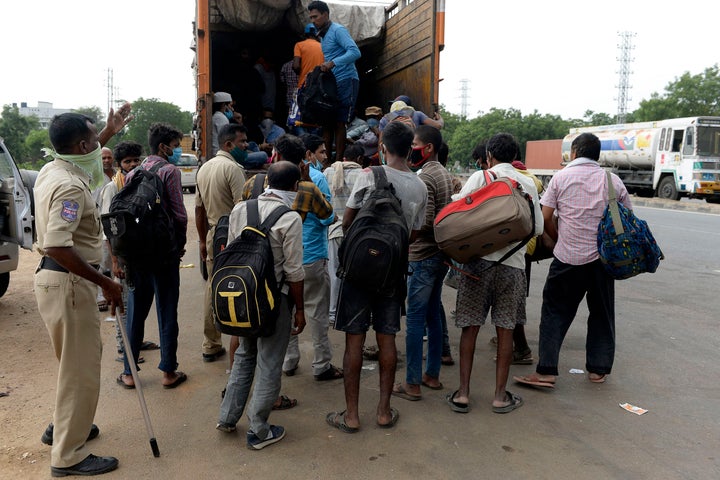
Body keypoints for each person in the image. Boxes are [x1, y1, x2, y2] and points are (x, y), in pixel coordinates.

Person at [34, 105, 130, 477]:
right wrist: (106, 282)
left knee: (71, 365)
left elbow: (87, 164)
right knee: (81, 369)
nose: (97, 146)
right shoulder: (69, 185)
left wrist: (107, 131)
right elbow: (59, 244)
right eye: (93, 141)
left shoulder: (54, 169)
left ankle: (63, 427)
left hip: (56, 282)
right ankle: (68, 455)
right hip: (69, 282)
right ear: (80, 144)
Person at [327, 121, 427, 433]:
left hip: (358, 272)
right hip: (392, 273)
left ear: (383, 146)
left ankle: (352, 416)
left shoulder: (369, 175)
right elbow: (413, 233)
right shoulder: (420, 186)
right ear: (411, 148)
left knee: (354, 339)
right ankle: (383, 412)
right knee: (387, 338)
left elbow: (348, 220)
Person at [514, 132, 630, 388]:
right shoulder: (613, 181)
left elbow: (544, 218)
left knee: (555, 311)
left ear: (575, 152)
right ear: (596, 155)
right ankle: (598, 370)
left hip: (568, 258)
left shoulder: (561, 177)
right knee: (602, 313)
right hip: (603, 261)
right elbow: (626, 219)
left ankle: (546, 371)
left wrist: (558, 239)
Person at [448, 133, 543, 415]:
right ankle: (500, 397)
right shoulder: (527, 183)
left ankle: (463, 394)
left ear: (489, 155)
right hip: (512, 267)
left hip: (478, 265)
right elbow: (536, 229)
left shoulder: (481, 178)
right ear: (515, 156)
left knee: (470, 328)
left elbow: (458, 216)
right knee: (505, 331)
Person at [216, 161, 306, 450]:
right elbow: (294, 272)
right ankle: (259, 430)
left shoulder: (241, 208)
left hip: (242, 296)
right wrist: (300, 309)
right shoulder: (290, 218)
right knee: (269, 363)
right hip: (273, 299)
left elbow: (230, 251)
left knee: (244, 355)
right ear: (295, 186)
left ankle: (227, 417)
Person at [118, 123, 188, 390]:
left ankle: (128, 371)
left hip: (137, 254)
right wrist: (179, 244)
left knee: (136, 311)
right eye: (175, 144)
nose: (177, 150)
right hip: (164, 254)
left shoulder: (132, 172)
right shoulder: (169, 171)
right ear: (163, 146)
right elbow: (179, 214)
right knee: (167, 309)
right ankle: (168, 372)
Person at [390, 125, 454, 402]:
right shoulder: (442, 173)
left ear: (427, 148)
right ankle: (432, 374)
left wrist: (404, 235)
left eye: (415, 144)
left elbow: (426, 221)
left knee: (415, 319)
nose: (411, 148)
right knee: (431, 316)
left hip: (423, 255)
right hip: (438, 256)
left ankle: (412, 383)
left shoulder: (426, 176)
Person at [282, 134, 342, 380]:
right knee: (317, 312)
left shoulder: (268, 181)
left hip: (285, 259)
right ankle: (321, 365)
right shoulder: (315, 180)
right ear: (306, 157)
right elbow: (327, 217)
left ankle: (288, 362)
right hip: (313, 256)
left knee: (286, 312)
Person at [99, 141, 158, 363]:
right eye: (127, 161)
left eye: (136, 160)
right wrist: (115, 262)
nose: (133, 164)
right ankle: (124, 348)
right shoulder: (113, 188)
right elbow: (108, 230)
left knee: (139, 300)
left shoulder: (142, 182)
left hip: (139, 253)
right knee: (123, 302)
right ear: (119, 164)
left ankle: (136, 339)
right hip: (121, 255)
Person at [195, 123, 249, 363]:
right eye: (242, 142)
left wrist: (201, 240)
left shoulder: (204, 168)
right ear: (229, 145)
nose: (246, 147)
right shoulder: (233, 168)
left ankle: (210, 343)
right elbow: (242, 207)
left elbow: (198, 209)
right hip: (232, 233)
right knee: (239, 284)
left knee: (211, 287)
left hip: (212, 233)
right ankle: (241, 341)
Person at [308, 0, 361, 163]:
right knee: (327, 121)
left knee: (339, 121)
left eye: (315, 16)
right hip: (333, 84)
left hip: (347, 79)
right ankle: (326, 161)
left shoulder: (338, 30)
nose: (313, 20)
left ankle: (337, 161)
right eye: (310, 17)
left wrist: (333, 63)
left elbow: (355, 52)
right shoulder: (323, 35)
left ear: (325, 14)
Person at [323, 144, 364, 327]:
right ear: (359, 159)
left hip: (334, 231)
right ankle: (354, 313)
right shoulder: (363, 174)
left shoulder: (328, 172)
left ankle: (332, 314)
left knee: (334, 274)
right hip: (356, 233)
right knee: (356, 275)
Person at [378, 97, 444, 132]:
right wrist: (439, 118)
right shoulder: (417, 114)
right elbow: (438, 126)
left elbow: (380, 143)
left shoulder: (386, 118)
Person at [293, 23, 324, 88]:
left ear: (305, 34)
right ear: (317, 34)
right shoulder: (323, 46)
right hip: (320, 84)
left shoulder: (299, 45)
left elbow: (296, 66)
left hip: (305, 84)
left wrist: (300, 72)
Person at [211, 92, 234, 158]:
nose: (232, 109)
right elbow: (226, 138)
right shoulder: (221, 118)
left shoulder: (217, 116)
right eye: (230, 105)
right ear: (224, 105)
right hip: (222, 155)